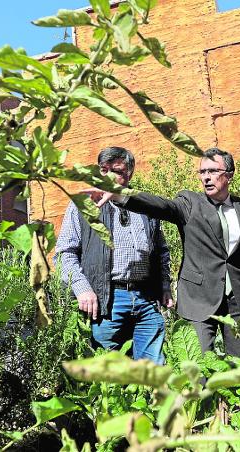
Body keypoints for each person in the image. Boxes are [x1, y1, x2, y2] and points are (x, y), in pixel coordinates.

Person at [85, 148, 240, 361]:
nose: (206, 177)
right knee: (199, 370)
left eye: (213, 171)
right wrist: (121, 195)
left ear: (229, 175)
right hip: (199, 300)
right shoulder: (189, 203)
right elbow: (161, 206)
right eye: (202, 172)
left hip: (238, 301)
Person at [55, 147, 172, 364]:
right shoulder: (84, 205)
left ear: (129, 173)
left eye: (116, 171)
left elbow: (162, 251)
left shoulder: (144, 205)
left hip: (146, 298)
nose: (108, 176)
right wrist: (82, 289)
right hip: (107, 299)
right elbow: (64, 254)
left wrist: (165, 285)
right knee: (110, 377)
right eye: (103, 170)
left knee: (154, 371)